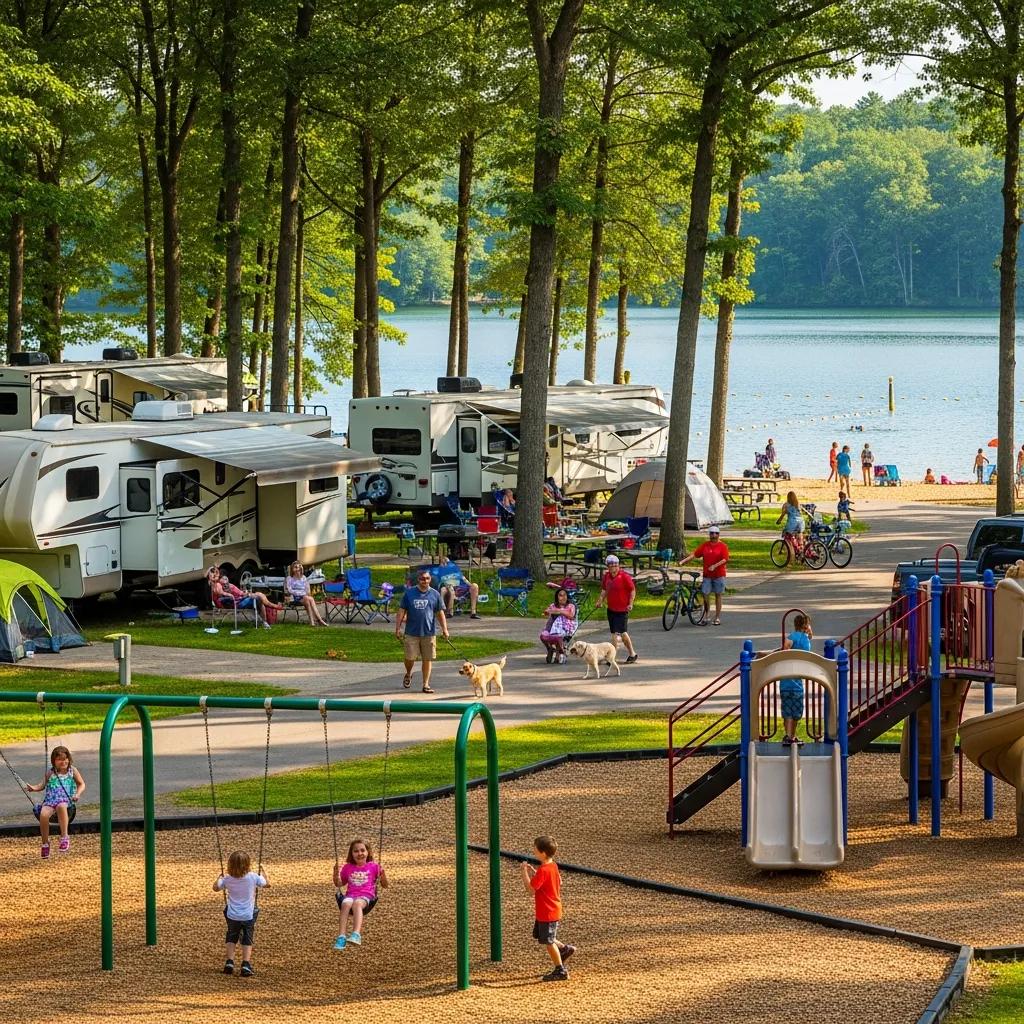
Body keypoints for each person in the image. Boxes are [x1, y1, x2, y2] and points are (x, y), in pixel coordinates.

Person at [522, 835, 575, 982]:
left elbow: (530, 890)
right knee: (542, 936)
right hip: (550, 910)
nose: (533, 850)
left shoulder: (543, 870)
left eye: (535, 849)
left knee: (548, 941)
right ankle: (564, 950)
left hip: (547, 912)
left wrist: (524, 872)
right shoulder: (553, 866)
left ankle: (560, 970)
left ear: (543, 853)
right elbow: (559, 882)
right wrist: (535, 873)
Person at [213, 850, 268, 977]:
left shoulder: (227, 879)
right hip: (248, 915)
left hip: (232, 915)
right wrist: (264, 870)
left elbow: (215, 888)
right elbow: (267, 884)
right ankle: (245, 964)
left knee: (232, 935)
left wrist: (218, 877)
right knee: (247, 937)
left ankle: (229, 962)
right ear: (248, 864)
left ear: (230, 865)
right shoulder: (253, 877)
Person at [24, 745, 84, 858]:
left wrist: (77, 794)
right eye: (59, 759)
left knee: (61, 806)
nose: (63, 762)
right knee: (43, 814)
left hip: (65, 801)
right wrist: (33, 788)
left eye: (65, 759)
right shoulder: (50, 773)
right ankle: (45, 843)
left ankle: (64, 837)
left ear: (69, 759)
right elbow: (42, 785)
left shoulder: (72, 771)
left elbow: (81, 784)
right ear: (53, 761)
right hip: (50, 801)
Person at [395, 569, 449, 693]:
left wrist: (445, 629)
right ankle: (408, 673)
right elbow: (401, 611)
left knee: (427, 658)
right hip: (411, 632)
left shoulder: (435, 594)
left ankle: (426, 684)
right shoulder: (409, 593)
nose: (425, 581)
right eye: (422, 579)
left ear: (430, 579)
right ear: (418, 580)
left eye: (427, 578)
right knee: (410, 658)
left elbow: (440, 613)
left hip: (429, 632)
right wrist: (398, 628)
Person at [333, 838, 388, 950]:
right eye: (356, 851)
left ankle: (356, 934)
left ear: (368, 852)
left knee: (357, 904)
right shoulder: (347, 867)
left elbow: (385, 885)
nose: (359, 853)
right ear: (351, 854)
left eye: (362, 850)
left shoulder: (374, 867)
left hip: (366, 896)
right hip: (350, 895)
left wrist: (383, 875)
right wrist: (335, 873)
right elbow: (339, 883)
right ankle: (341, 937)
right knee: (345, 904)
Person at [679, 525, 729, 626]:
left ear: (718, 535)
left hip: (719, 575)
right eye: (712, 533)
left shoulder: (723, 546)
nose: (714, 535)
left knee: (718, 595)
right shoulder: (705, 545)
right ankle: (706, 615)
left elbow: (725, 559)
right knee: (706, 595)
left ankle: (717, 617)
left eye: (716, 533)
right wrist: (683, 561)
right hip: (707, 575)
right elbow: (695, 554)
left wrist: (715, 566)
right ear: (709, 534)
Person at [594, 554, 638, 663]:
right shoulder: (607, 576)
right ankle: (631, 654)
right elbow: (604, 590)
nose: (614, 567)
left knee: (618, 634)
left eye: (615, 565)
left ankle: (613, 657)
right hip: (611, 609)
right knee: (618, 633)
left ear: (618, 565)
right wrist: (600, 601)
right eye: (611, 565)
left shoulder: (624, 576)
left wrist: (630, 603)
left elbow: (632, 590)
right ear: (608, 566)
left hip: (622, 609)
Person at [208, 566, 282, 626]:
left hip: (237, 602)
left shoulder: (228, 586)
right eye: (223, 580)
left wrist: (246, 594)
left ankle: (266, 618)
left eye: (226, 580)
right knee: (258, 597)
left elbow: (240, 593)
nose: (225, 582)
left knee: (258, 596)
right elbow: (222, 594)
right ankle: (266, 620)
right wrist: (245, 595)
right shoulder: (219, 587)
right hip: (237, 604)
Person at [780, 614, 813, 746]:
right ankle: (791, 736)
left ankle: (789, 736)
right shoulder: (805, 640)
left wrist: (786, 650)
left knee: (787, 712)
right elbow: (809, 638)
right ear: (806, 625)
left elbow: (786, 647)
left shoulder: (791, 637)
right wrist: (809, 631)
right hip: (797, 684)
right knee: (796, 713)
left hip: (785, 681)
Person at [285, 561, 328, 626]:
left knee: (308, 599)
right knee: (309, 598)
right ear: (292, 569)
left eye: (299, 567)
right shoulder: (289, 578)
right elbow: (290, 590)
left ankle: (313, 622)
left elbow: (307, 590)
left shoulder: (304, 578)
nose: (297, 569)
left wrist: (304, 594)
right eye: (295, 567)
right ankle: (320, 620)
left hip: (304, 598)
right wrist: (302, 593)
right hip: (294, 598)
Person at [540, 587, 577, 663]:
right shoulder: (553, 605)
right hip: (552, 628)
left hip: (566, 629)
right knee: (543, 636)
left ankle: (559, 654)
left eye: (565, 595)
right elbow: (547, 611)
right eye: (560, 595)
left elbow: (571, 615)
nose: (563, 597)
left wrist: (560, 611)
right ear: (557, 597)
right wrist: (547, 612)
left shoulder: (571, 606)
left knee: (558, 636)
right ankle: (550, 649)